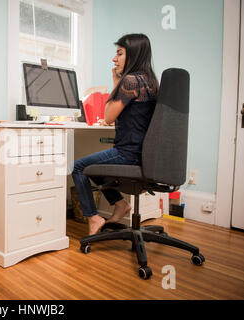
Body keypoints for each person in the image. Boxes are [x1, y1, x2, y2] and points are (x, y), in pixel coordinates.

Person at [72, 33, 159, 236]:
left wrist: (115, 82)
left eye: (119, 53)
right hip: (143, 153)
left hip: (128, 153)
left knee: (78, 167)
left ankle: (93, 217)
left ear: (134, 55)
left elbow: (108, 116)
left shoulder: (130, 81)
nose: (114, 58)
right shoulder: (150, 82)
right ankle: (120, 204)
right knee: (95, 168)